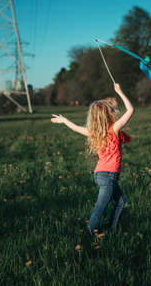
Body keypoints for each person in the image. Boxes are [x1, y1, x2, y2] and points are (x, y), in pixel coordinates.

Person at [51, 83, 134, 234]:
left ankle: (111, 231)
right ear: (109, 114)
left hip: (100, 174)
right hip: (108, 176)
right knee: (99, 208)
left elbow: (76, 128)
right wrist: (120, 92)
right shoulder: (114, 129)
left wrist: (64, 121)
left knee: (122, 202)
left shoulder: (93, 132)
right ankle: (89, 234)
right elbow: (131, 110)